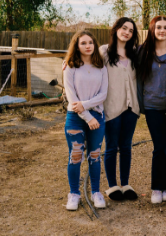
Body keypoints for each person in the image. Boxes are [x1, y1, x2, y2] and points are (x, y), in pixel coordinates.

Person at [135, 16, 166, 205]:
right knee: (159, 147)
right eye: (158, 27)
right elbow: (117, 54)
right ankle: (157, 186)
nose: (162, 31)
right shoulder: (142, 51)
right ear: (152, 29)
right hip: (152, 106)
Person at [62, 30, 109, 210]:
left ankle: (96, 192)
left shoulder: (101, 65)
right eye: (83, 43)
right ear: (77, 45)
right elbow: (72, 97)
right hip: (75, 118)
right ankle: (74, 193)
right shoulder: (70, 66)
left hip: (97, 115)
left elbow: (103, 94)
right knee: (75, 156)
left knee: (95, 156)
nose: (88, 46)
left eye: (90, 42)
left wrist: (87, 106)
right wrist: (87, 116)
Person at [99, 17, 141, 201]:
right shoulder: (103, 52)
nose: (127, 32)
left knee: (126, 147)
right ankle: (112, 186)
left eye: (131, 30)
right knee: (111, 147)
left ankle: (125, 184)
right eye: (124, 28)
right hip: (112, 107)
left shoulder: (135, 54)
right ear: (116, 29)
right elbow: (85, 64)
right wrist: (67, 64)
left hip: (131, 109)